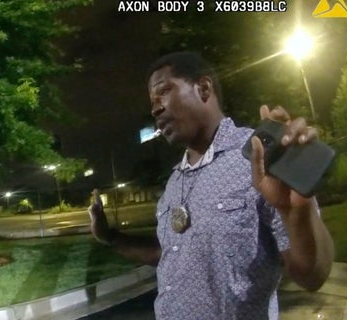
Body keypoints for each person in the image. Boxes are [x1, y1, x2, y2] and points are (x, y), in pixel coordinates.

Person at [88, 51, 334, 319]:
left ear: (203, 89)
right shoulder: (174, 183)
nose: (155, 108)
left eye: (164, 92)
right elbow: (169, 254)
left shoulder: (259, 160)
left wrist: (297, 212)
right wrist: (109, 236)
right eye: (152, 101)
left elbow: (313, 276)